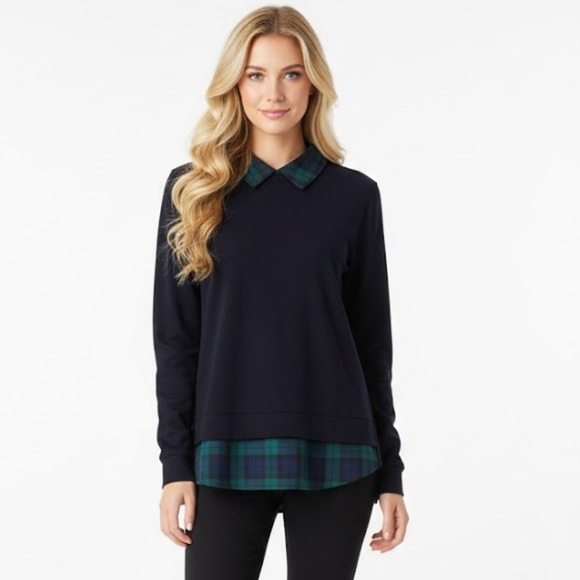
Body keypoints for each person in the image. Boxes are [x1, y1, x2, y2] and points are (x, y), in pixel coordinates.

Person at [152, 5, 410, 579]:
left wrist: (391, 473)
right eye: (256, 75)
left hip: (340, 454)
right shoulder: (191, 192)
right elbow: (176, 342)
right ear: (234, 84)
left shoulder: (354, 197)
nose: (274, 93)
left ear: (312, 83)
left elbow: (373, 345)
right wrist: (175, 466)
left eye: (291, 73)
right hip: (222, 454)